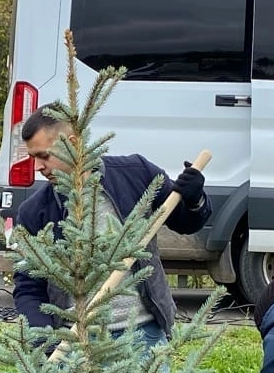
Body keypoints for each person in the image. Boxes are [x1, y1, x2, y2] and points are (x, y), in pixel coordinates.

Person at [11, 109, 209, 343]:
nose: (37, 166)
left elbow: (186, 222)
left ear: (72, 143)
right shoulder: (35, 211)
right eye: (33, 157)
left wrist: (195, 199)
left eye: (44, 155)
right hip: (74, 343)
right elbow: (28, 286)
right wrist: (41, 336)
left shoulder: (136, 174)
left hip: (142, 335)